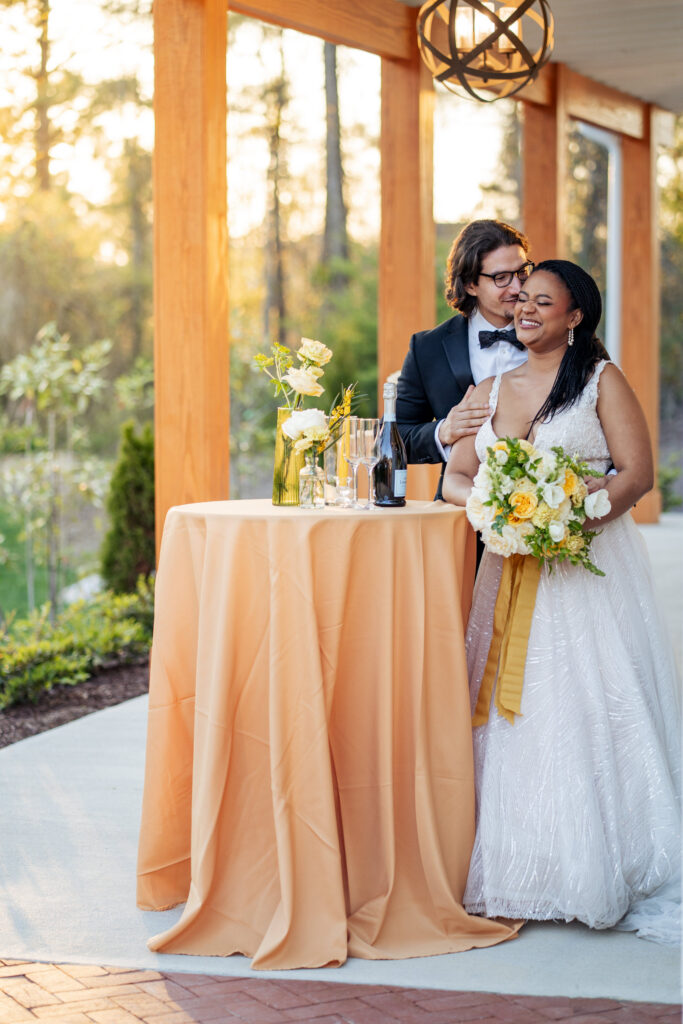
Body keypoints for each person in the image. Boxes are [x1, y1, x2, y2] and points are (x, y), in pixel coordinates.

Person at [442, 259, 681, 944]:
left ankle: (593, 868)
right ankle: (519, 868)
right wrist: (495, 511)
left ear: (574, 316)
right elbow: (458, 477)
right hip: (508, 572)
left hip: (581, 571)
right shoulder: (486, 388)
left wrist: (566, 524)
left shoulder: (599, 381)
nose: (526, 309)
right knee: (508, 717)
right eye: (522, 298)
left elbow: (634, 475)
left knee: (576, 706)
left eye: (544, 302)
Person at [396, 219, 534, 499]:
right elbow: (398, 437)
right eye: (501, 278)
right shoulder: (427, 348)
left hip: (552, 513)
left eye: (522, 272)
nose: (518, 287)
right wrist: (444, 431)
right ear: (471, 284)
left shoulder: (561, 334)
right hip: (460, 509)